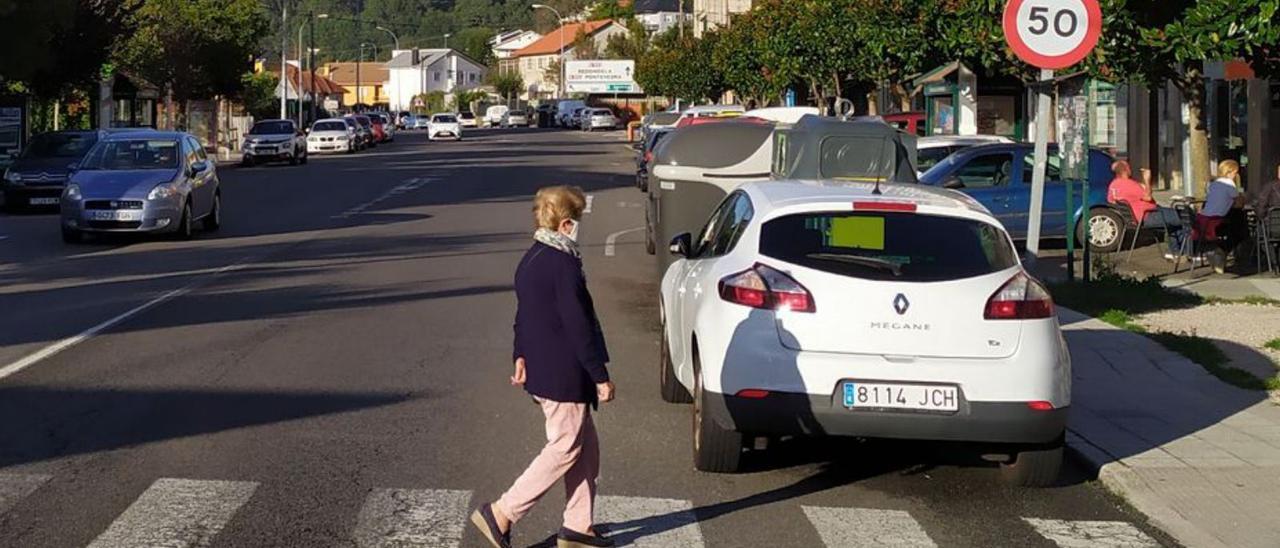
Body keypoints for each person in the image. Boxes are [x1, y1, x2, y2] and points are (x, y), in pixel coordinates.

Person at [471, 185, 616, 548]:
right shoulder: (563, 263)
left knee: (586, 448)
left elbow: (524, 315)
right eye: (577, 221)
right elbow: (577, 324)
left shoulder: (533, 256)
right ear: (565, 223)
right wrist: (600, 375)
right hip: (563, 372)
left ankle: (579, 528)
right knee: (566, 445)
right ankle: (502, 512)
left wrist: (519, 356)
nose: (579, 227)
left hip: (543, 365)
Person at [1106, 160, 1184, 258]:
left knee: (1174, 219)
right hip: (1148, 216)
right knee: (1185, 216)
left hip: (1136, 218)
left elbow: (1111, 200)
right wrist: (1147, 179)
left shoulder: (1114, 185)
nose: (1131, 169)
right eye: (1129, 168)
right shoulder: (1129, 184)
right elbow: (1148, 197)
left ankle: (1176, 251)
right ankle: (1190, 252)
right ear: (1125, 170)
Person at [1198, 160, 1249, 273]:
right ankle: (1223, 251)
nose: (1236, 175)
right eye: (1235, 172)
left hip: (1205, 220)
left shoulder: (1214, 184)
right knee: (1241, 231)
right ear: (1229, 172)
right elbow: (1239, 203)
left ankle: (1220, 255)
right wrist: (1244, 197)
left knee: (1236, 223)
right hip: (1218, 221)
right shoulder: (1229, 183)